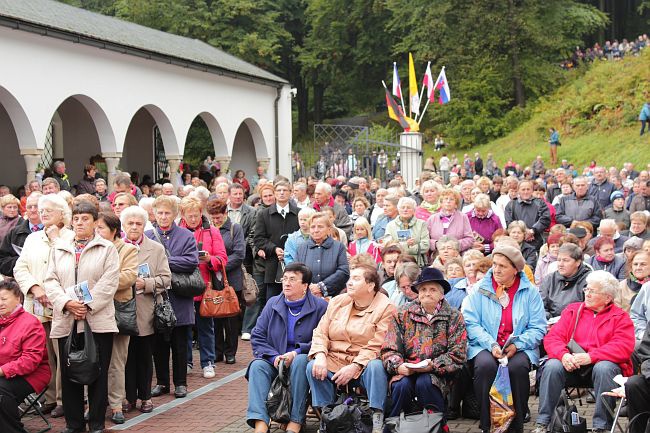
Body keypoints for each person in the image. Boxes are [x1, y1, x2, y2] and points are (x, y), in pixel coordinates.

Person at [43, 201, 120, 433]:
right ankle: (74, 424)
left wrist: (87, 306)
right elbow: (50, 281)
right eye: (76, 219)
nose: (79, 223)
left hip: (98, 322)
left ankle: (96, 422)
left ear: (96, 222)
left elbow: (109, 282)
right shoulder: (58, 249)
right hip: (66, 320)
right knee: (68, 375)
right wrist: (67, 303)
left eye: (85, 219)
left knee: (97, 373)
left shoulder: (107, 249)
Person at [533, 271, 635, 433]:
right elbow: (553, 338)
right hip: (572, 366)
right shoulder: (573, 310)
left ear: (608, 297)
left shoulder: (620, 317)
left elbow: (623, 347)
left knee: (604, 368)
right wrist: (563, 355)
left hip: (604, 372)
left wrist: (590, 357)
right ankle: (543, 423)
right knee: (552, 365)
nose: (586, 293)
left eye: (592, 291)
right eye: (587, 289)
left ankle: (601, 426)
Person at [462, 245, 547, 433]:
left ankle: (516, 424)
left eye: (503, 266)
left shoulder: (530, 292)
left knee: (517, 368)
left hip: (519, 346)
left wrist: (517, 344)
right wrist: (490, 343)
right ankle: (488, 424)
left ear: (515, 270)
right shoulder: (479, 289)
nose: (496, 269)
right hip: (485, 344)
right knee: (485, 366)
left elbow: (538, 327)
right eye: (494, 264)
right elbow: (470, 322)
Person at [307, 265, 396, 433]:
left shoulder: (386, 307)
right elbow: (320, 332)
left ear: (371, 286)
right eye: (350, 278)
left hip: (364, 364)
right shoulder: (338, 301)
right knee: (313, 366)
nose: (349, 283)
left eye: (356, 279)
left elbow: (378, 344)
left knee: (376, 366)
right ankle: (328, 416)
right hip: (335, 360)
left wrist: (355, 366)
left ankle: (376, 417)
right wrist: (320, 355)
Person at [246, 263, 328, 433]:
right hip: (276, 360)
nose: (286, 283)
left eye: (293, 279)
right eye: (285, 278)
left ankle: (295, 420)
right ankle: (261, 422)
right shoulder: (273, 303)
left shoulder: (320, 307)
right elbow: (258, 335)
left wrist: (296, 352)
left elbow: (325, 339)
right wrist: (274, 357)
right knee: (257, 366)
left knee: (299, 362)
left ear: (305, 285)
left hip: (303, 360)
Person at [382, 267, 467, 422]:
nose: (427, 293)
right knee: (402, 385)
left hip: (438, 372)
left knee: (425, 382)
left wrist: (433, 365)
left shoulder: (454, 316)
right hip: (407, 369)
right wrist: (398, 366)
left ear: (441, 294)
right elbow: (390, 348)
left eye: (433, 289)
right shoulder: (402, 313)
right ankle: (396, 427)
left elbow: (458, 354)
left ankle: (435, 427)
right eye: (423, 289)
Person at [146, 195, 199, 399]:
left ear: (175, 215)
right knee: (159, 345)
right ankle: (161, 382)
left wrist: (165, 262)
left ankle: (180, 383)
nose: (163, 216)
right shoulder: (149, 235)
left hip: (179, 297)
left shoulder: (186, 236)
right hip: (157, 297)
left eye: (167, 213)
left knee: (179, 344)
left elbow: (191, 262)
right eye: (160, 213)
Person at [121, 205, 171, 414]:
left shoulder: (156, 248)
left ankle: (145, 397)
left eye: (138, 223)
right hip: (121, 310)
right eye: (130, 223)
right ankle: (128, 397)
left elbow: (167, 279)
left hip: (144, 311)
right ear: (123, 225)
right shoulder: (115, 248)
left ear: (144, 225)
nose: (134, 227)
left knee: (143, 356)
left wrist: (147, 284)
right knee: (124, 358)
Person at [94, 212, 138, 424]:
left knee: (117, 361)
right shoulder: (91, 249)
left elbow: (129, 277)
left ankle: (116, 405)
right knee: (94, 361)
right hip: (95, 312)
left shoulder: (127, 249)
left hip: (118, 311)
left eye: (101, 228)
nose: (97, 232)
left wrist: (101, 282)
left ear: (114, 231)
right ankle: (95, 404)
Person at [178, 196, 228, 374]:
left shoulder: (212, 231)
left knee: (206, 327)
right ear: (182, 215)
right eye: (189, 215)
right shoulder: (177, 231)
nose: (193, 219)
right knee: (183, 328)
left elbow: (222, 258)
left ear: (201, 213)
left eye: (196, 215)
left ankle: (208, 362)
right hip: (182, 287)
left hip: (205, 287)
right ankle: (186, 362)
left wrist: (209, 259)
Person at [0, 279, 51, 433]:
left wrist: (2, 371)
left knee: (1, 391)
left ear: (18, 299)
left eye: (3, 299)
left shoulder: (30, 323)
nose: (0, 303)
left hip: (31, 374)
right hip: (4, 372)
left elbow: (30, 361)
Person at [207, 198, 245, 365]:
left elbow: (239, 254)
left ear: (225, 214)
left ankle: (230, 352)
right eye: (213, 218)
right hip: (212, 279)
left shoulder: (235, 229)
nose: (216, 221)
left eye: (219, 217)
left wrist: (219, 265)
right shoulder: (208, 230)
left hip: (231, 279)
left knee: (230, 318)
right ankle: (217, 351)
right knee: (215, 315)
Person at [254, 181, 300, 305]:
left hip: (295, 264)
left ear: (290, 193)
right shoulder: (263, 214)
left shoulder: (299, 213)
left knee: (295, 301)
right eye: (278, 190)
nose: (281, 193)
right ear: (274, 193)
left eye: (285, 190)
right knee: (274, 304)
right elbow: (258, 238)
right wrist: (274, 249)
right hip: (273, 266)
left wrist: (290, 252)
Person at [294, 212, 349, 297]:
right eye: (312, 227)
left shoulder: (338, 247)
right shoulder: (301, 248)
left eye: (320, 226)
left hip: (334, 297)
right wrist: (310, 289)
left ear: (329, 229)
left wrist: (321, 287)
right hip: (307, 296)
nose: (316, 230)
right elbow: (296, 272)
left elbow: (344, 271)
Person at [540, 243, 591, 319]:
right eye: (559, 260)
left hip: (577, 324)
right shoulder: (549, 279)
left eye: (565, 260)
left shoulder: (589, 280)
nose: (560, 264)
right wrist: (551, 319)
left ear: (578, 262)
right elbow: (539, 307)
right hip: (550, 324)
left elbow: (590, 311)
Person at [0, 192, 42, 278]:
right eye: (30, 207)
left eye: (36, 206)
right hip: (18, 282)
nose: (33, 210)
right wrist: (22, 263)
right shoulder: (14, 233)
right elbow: (2, 260)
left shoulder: (53, 232)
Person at [504, 180, 551, 251]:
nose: (526, 192)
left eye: (528, 189)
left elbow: (545, 219)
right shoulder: (511, 204)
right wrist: (523, 233)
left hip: (536, 241)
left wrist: (532, 231)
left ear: (532, 190)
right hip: (516, 242)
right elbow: (509, 222)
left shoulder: (540, 203)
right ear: (518, 190)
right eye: (523, 189)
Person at [427, 189, 475, 255]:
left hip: (457, 255)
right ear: (441, 203)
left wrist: (454, 245)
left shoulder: (463, 217)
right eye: (446, 199)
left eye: (451, 199)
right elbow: (425, 239)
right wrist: (436, 244)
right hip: (436, 256)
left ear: (456, 204)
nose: (448, 201)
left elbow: (470, 239)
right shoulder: (432, 218)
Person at [385, 197, 430, 266]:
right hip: (396, 263)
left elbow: (425, 246)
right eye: (403, 207)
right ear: (398, 209)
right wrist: (406, 245)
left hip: (417, 263)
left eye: (408, 207)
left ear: (414, 210)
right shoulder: (390, 226)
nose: (405, 210)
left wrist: (402, 248)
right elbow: (389, 247)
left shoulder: (422, 224)